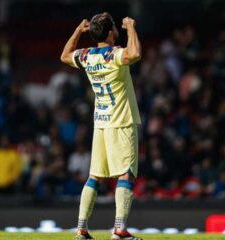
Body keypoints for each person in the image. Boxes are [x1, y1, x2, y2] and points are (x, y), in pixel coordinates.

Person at [61, 12, 142, 240]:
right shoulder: (113, 55)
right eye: (115, 26)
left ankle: (81, 229)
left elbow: (64, 56)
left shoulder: (88, 56)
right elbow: (135, 53)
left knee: (94, 176)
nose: (117, 28)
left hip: (101, 123)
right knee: (125, 174)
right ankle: (119, 229)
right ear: (110, 33)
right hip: (121, 121)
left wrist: (78, 31)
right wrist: (131, 28)